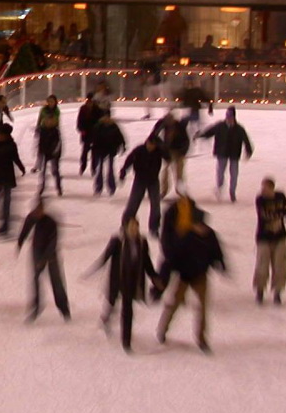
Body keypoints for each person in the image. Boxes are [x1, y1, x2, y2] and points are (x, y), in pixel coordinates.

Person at [156, 196, 227, 354]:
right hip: (184, 276)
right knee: (174, 304)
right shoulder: (184, 237)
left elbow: (217, 252)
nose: (201, 228)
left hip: (201, 276)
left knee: (202, 308)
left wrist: (221, 264)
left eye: (202, 225)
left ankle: (201, 339)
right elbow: (172, 258)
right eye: (198, 225)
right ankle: (163, 329)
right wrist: (163, 276)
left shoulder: (210, 235)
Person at [86, 217, 161, 352]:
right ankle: (106, 318)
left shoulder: (142, 242)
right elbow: (106, 256)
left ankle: (126, 341)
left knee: (127, 309)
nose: (134, 230)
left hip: (133, 280)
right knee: (112, 301)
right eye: (131, 227)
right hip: (118, 279)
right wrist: (94, 269)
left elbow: (146, 262)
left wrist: (154, 277)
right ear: (125, 228)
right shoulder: (118, 241)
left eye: (136, 227)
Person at [17, 196, 71, 321]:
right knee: (35, 280)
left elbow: (53, 242)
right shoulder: (32, 217)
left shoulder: (51, 222)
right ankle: (36, 307)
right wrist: (20, 241)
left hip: (51, 255)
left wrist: (45, 258)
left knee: (56, 282)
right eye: (36, 211)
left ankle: (64, 308)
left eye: (40, 211)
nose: (38, 213)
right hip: (36, 251)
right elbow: (25, 229)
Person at [199, 107, 254, 203]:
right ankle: (219, 188)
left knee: (234, 174)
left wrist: (248, 151)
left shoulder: (239, 128)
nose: (228, 118)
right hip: (222, 153)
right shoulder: (220, 126)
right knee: (220, 173)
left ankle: (232, 192)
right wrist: (201, 135)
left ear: (234, 117)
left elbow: (246, 140)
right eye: (227, 116)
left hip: (234, 154)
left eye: (230, 116)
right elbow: (209, 132)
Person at [253, 177, 286, 304]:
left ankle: (278, 292)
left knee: (280, 265)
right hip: (263, 238)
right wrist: (282, 213)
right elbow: (265, 216)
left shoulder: (280, 196)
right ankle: (260, 290)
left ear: (272, 188)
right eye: (262, 187)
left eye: (266, 187)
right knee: (262, 265)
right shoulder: (260, 200)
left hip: (280, 237)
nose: (263, 190)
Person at [118, 134, 164, 236]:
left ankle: (154, 227)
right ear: (147, 142)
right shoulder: (139, 150)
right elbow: (129, 160)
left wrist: (162, 146)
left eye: (154, 145)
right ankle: (126, 225)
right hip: (140, 180)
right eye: (150, 144)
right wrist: (123, 171)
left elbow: (168, 156)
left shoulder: (158, 151)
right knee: (133, 203)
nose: (152, 147)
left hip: (153, 181)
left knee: (155, 205)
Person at [0, 125, 26, 237]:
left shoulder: (11, 145)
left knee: (7, 199)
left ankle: (5, 224)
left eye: (0, 135)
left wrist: (21, 167)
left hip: (7, 174)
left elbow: (15, 158)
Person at [151, 111, 190, 196]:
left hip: (179, 151)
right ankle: (164, 190)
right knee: (165, 171)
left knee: (179, 172)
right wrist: (161, 146)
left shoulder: (179, 126)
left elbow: (186, 140)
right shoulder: (163, 125)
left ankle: (180, 190)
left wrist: (183, 152)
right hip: (168, 151)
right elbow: (154, 136)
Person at [89, 113, 126, 196]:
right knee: (100, 169)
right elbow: (93, 138)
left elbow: (120, 137)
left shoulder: (114, 126)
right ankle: (98, 187)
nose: (106, 119)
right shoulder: (98, 126)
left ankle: (111, 187)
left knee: (110, 169)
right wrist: (93, 148)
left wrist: (123, 146)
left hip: (111, 150)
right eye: (104, 117)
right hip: (100, 150)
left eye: (107, 117)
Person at [34, 94, 63, 194]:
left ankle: (58, 187)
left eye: (52, 101)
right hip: (45, 145)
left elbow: (58, 143)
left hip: (53, 149)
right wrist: (38, 127)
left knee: (55, 170)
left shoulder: (56, 112)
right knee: (44, 170)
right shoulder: (43, 110)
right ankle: (42, 187)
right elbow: (39, 119)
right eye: (49, 101)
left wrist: (56, 152)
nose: (50, 103)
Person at [76, 92, 100, 175]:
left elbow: (99, 121)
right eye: (89, 100)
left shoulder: (97, 109)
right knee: (85, 151)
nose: (90, 102)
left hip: (95, 134)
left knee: (94, 153)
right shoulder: (83, 108)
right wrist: (81, 130)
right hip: (86, 133)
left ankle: (94, 168)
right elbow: (79, 121)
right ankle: (83, 166)